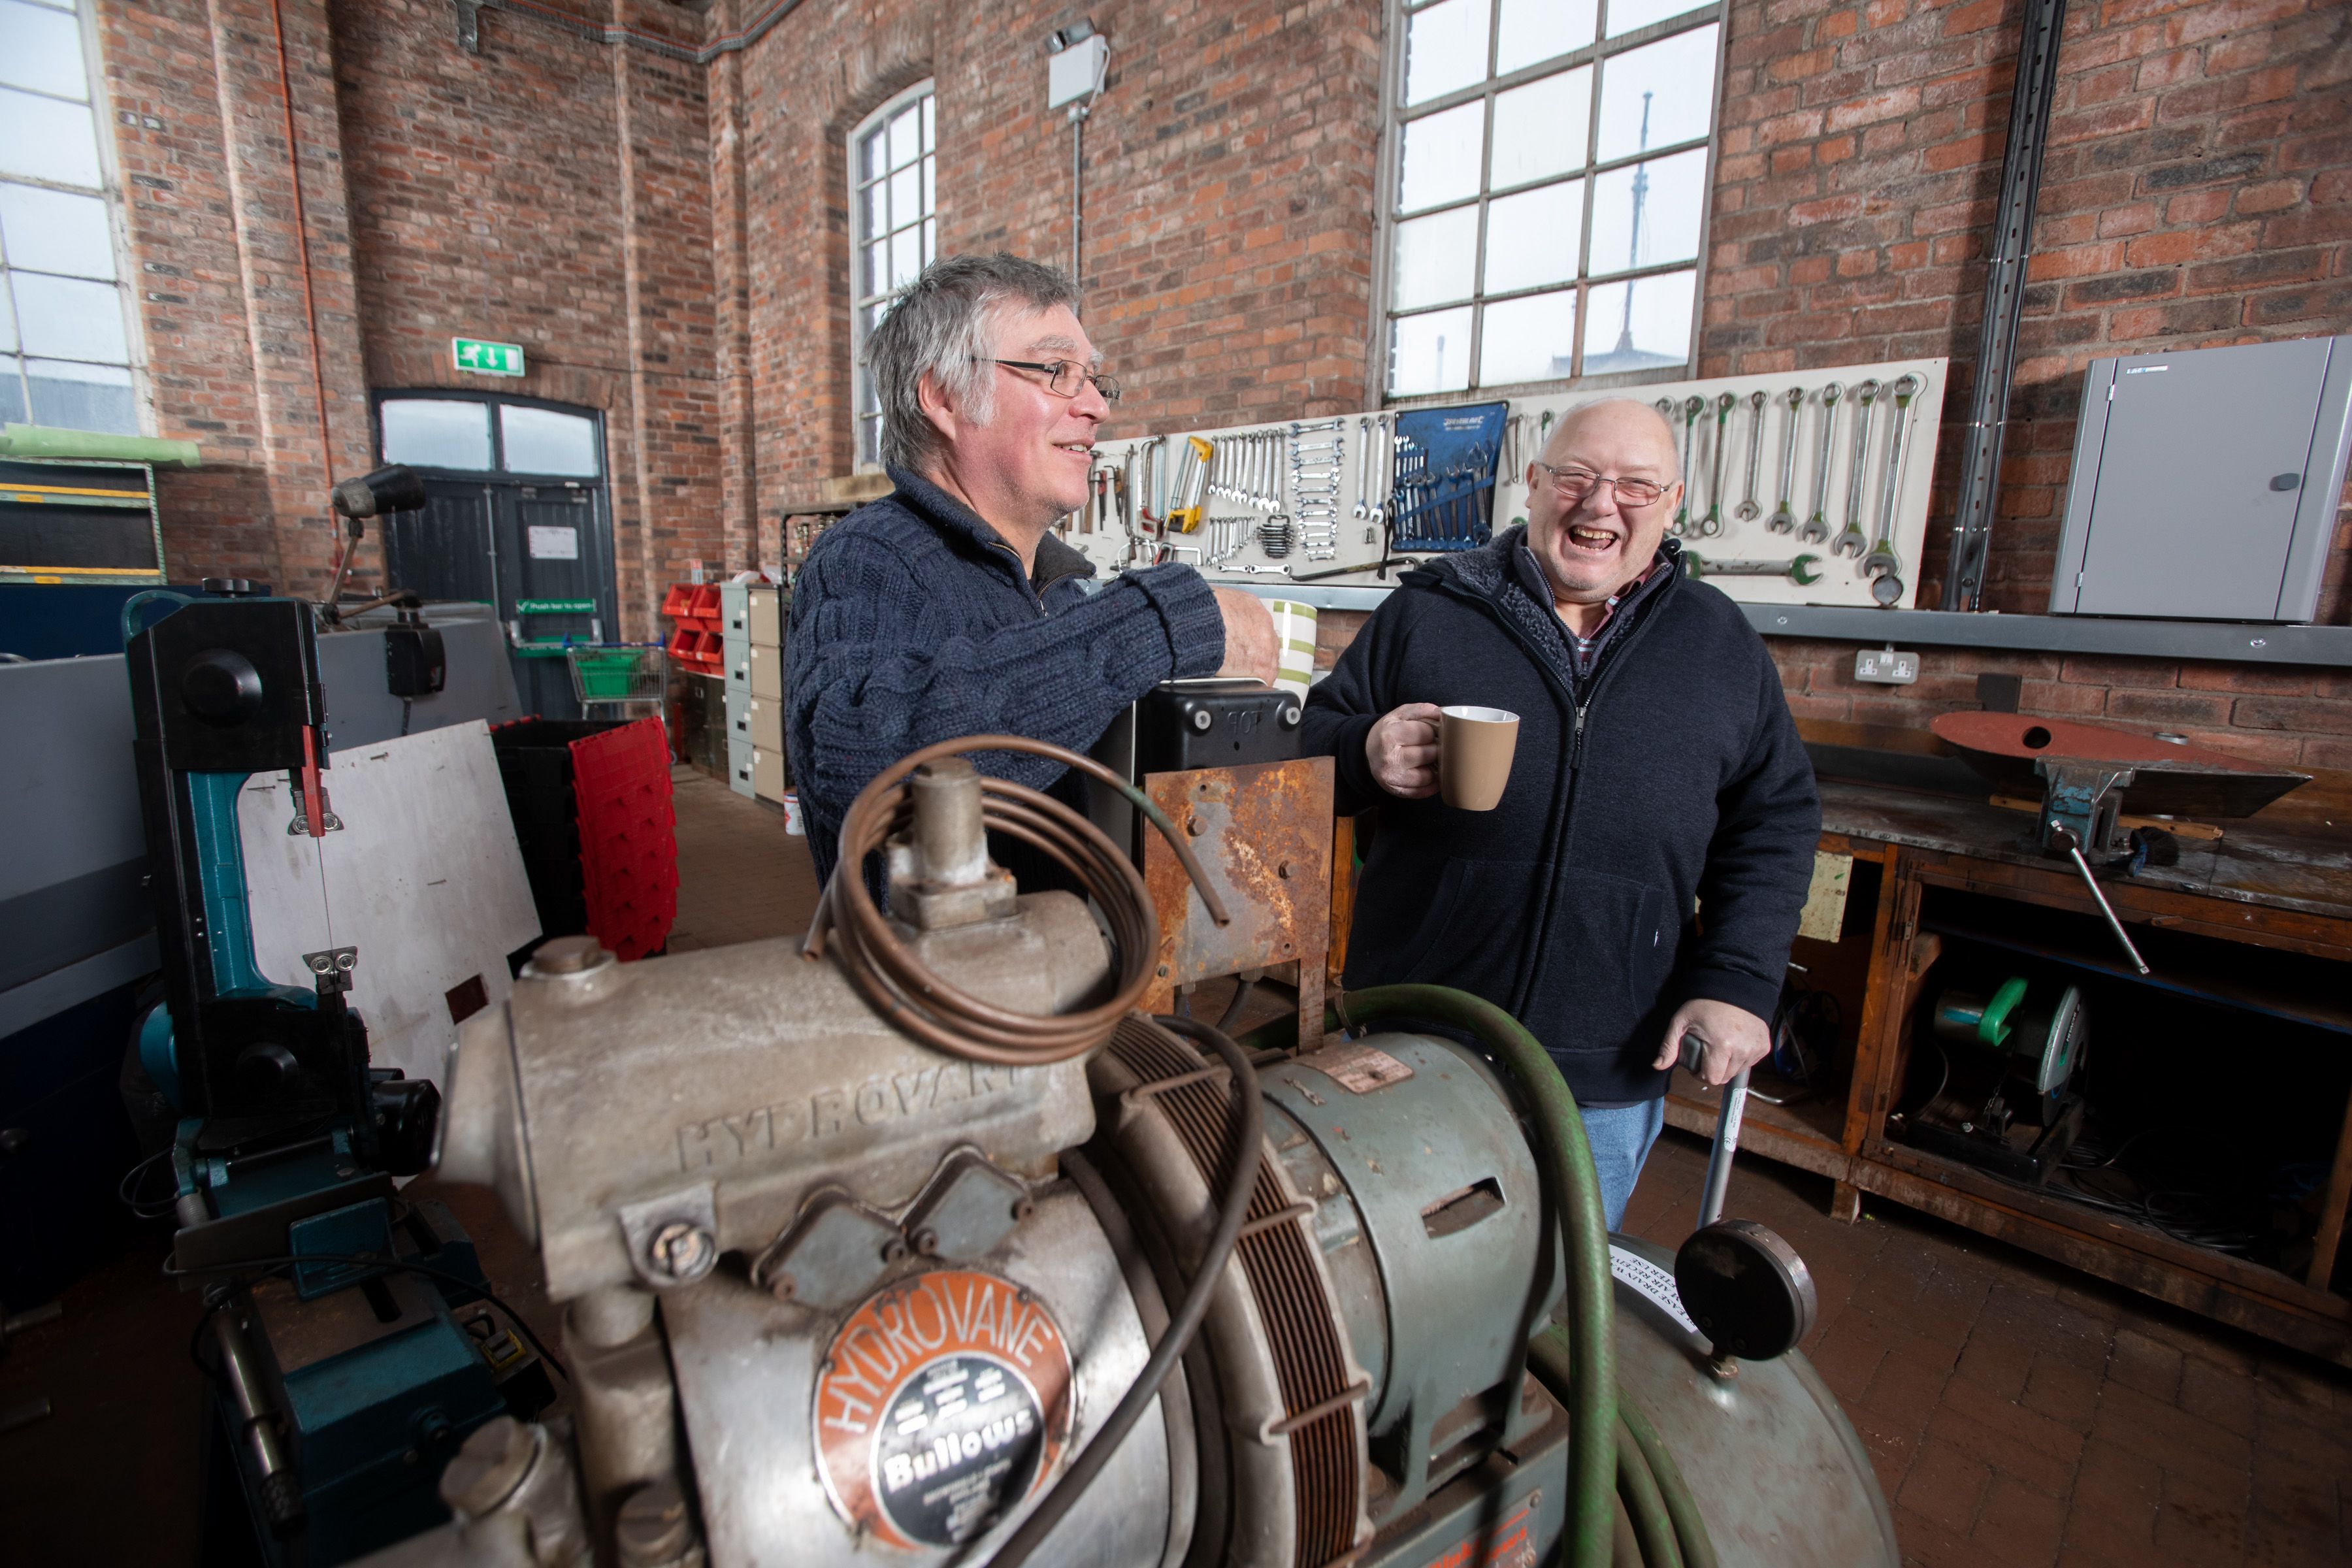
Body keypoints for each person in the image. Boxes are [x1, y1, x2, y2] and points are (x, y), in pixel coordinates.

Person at [1299, 398, 1820, 1230]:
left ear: (1672, 503)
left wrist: (1738, 981)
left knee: (1558, 1300)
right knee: (1386, 1283)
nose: (1600, 503)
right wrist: (1365, 751)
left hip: (1605, 1068)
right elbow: (1304, 752)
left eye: (1635, 486)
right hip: (1412, 1039)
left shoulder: (1719, 646)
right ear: (1535, 485)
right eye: (1576, 476)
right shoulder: (1431, 610)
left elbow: (1777, 819)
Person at [787, 253, 1277, 886]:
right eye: (1056, 372)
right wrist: (1164, 621)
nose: (1097, 405)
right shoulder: (871, 557)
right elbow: (858, 764)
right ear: (942, 396)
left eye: (1095, 379)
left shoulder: (1066, 583)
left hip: (1082, 965)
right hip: (948, 980)